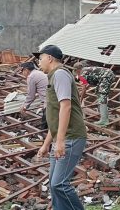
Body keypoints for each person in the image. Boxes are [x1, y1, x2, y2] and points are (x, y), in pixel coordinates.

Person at [34, 45, 87, 210]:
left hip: (71, 136)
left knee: (59, 184)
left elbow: (66, 107)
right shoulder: (53, 76)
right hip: (62, 137)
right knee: (53, 183)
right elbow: (56, 117)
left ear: (49, 58)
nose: (39, 62)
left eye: (40, 58)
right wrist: (46, 144)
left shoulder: (60, 75)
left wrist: (61, 141)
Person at [20, 61, 48, 130]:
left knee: (44, 125)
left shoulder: (31, 77)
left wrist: (25, 107)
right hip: (53, 98)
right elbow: (43, 87)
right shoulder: (39, 73)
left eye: (22, 71)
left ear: (26, 70)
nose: (22, 73)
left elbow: (30, 95)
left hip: (49, 102)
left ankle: (43, 135)